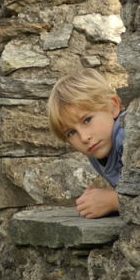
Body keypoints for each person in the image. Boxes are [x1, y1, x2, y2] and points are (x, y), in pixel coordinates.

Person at [48, 69, 125, 219]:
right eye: (71, 133)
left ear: (113, 106)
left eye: (87, 120)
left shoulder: (127, 136)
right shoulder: (96, 152)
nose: (84, 138)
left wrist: (114, 201)